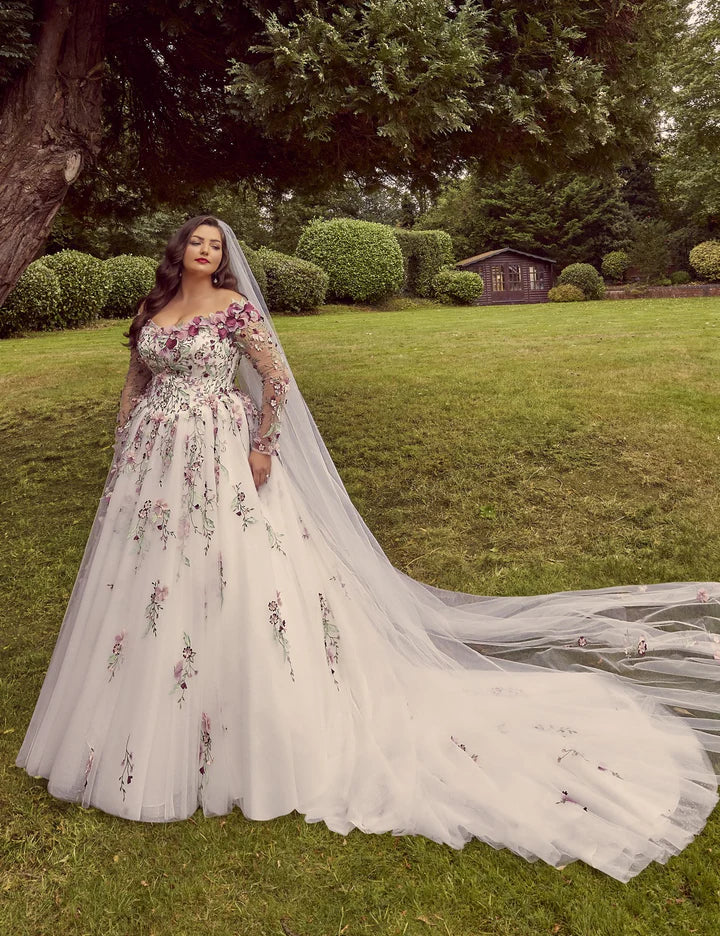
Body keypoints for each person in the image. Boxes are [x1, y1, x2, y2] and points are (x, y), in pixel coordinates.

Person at [17, 216, 720, 883]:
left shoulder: (233, 307)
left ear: (222, 256)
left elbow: (276, 378)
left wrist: (263, 447)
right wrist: (122, 444)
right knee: (148, 579)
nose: (204, 249)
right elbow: (136, 380)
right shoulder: (155, 305)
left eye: (213, 242)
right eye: (194, 241)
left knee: (235, 572)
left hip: (218, 450)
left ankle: (252, 718)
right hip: (153, 459)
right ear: (178, 252)